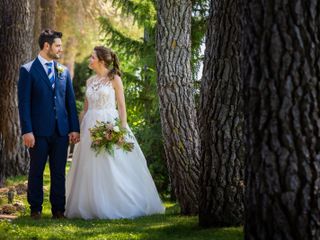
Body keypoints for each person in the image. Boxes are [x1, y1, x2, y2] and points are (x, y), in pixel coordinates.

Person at [65, 46, 165, 219]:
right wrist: (79, 129)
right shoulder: (90, 81)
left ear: (101, 61)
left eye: (92, 57)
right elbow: (85, 109)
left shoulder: (114, 78)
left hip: (109, 124)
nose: (89, 60)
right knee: (89, 165)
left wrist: (122, 129)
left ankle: (115, 203)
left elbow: (121, 106)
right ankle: (90, 204)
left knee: (111, 163)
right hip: (90, 126)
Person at [18, 29, 80, 220]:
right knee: (36, 170)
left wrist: (74, 128)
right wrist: (27, 130)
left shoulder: (63, 71)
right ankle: (35, 209)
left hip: (61, 132)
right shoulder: (28, 70)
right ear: (47, 46)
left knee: (59, 172)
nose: (61, 49)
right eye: (58, 46)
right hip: (37, 132)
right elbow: (24, 103)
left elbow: (70, 102)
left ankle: (58, 210)